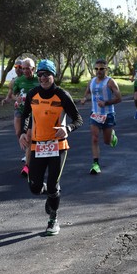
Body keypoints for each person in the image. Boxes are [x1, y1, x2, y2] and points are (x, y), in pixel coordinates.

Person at [19, 59, 83, 236]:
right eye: (40, 74)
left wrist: (67, 128)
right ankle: (52, 193)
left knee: (54, 185)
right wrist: (24, 132)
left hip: (58, 146)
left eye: (46, 74)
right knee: (34, 187)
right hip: (38, 146)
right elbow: (26, 115)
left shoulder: (62, 95)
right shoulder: (33, 94)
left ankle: (53, 219)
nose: (43, 78)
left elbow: (78, 119)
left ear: (53, 75)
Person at [80, 59, 122, 175]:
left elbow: (119, 98)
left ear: (106, 69)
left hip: (108, 114)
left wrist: (106, 103)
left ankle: (112, 136)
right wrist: (84, 99)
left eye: (101, 69)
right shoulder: (91, 81)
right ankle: (95, 164)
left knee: (107, 141)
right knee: (94, 138)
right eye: (97, 69)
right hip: (95, 114)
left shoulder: (110, 82)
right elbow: (87, 92)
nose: (99, 71)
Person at [12, 57, 39, 176]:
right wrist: (16, 99)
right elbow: (13, 94)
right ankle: (28, 151)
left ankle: (27, 163)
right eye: (23, 69)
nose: (25, 71)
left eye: (27, 68)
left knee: (29, 135)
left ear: (33, 68)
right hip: (21, 109)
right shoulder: (18, 81)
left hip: (34, 111)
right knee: (19, 132)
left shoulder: (39, 80)